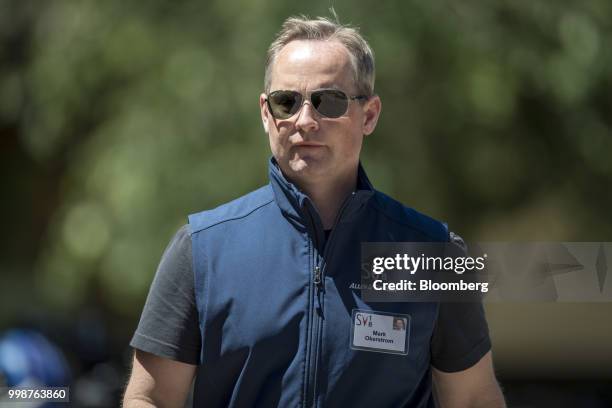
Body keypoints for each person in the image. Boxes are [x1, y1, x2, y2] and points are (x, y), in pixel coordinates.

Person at [123, 14, 506, 408]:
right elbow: (149, 397)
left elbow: (475, 398)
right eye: (286, 102)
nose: (305, 121)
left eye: (328, 102)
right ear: (265, 113)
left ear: (369, 115)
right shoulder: (202, 249)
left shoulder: (433, 254)